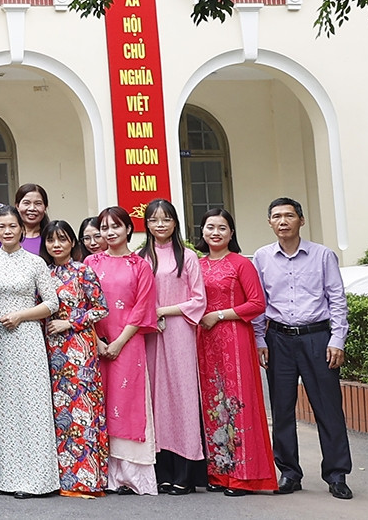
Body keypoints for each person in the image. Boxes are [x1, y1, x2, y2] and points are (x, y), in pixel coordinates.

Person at [252, 197, 353, 499]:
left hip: (317, 338)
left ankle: (336, 475)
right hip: (278, 339)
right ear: (270, 223)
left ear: (301, 220)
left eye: (289, 216)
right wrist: (259, 340)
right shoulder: (261, 257)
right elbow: (260, 304)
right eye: (276, 217)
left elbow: (337, 299)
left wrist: (337, 339)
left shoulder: (323, 256)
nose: (283, 221)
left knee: (328, 409)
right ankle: (289, 473)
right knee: (282, 410)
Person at [0, 207, 60, 497]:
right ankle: (2, 478)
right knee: (1, 407)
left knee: (30, 407)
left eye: (13, 226)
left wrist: (22, 316)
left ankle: (35, 479)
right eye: (2, 226)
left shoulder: (36, 263)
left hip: (25, 338)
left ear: (22, 229)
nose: (8, 231)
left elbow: (52, 304)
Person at [194, 208, 276, 495]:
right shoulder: (197, 264)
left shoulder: (241, 263)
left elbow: (257, 304)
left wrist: (219, 315)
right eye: (210, 227)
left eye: (222, 227)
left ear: (231, 233)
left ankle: (243, 476)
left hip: (234, 337)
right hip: (203, 340)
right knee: (213, 403)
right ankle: (219, 473)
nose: (215, 232)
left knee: (236, 402)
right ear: (202, 231)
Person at [85, 206, 159, 494]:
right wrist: (98, 340)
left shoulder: (140, 265)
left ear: (128, 229)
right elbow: (85, 304)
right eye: (104, 228)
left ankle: (131, 475)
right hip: (96, 342)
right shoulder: (91, 262)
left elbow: (142, 308)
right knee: (100, 401)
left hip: (128, 343)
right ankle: (104, 474)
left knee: (128, 403)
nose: (109, 232)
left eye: (115, 226)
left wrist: (117, 343)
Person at [138, 198, 207, 493]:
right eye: (154, 220)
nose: (160, 225)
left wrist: (164, 311)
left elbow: (198, 300)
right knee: (156, 397)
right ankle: (162, 470)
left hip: (179, 330)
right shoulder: (140, 256)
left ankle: (185, 473)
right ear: (147, 225)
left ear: (175, 223)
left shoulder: (187, 256)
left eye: (166, 219)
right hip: (150, 333)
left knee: (182, 396)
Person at [41, 219, 109, 497]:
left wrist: (70, 323)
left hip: (78, 348)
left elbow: (100, 309)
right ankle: (60, 478)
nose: (56, 245)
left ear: (72, 242)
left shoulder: (83, 271)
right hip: (48, 348)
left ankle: (87, 479)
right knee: (57, 413)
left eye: (62, 239)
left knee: (82, 411)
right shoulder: (43, 272)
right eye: (51, 240)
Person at [14, 185, 50, 254]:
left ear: (45, 207)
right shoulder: (6, 236)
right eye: (26, 203)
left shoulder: (52, 238)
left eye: (38, 203)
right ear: (17, 206)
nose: (32, 208)